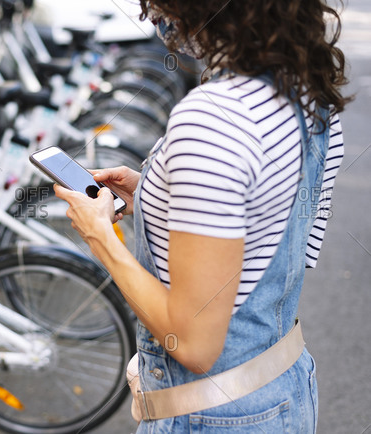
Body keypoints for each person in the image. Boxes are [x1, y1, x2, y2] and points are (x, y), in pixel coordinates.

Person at [54, 0, 350, 431]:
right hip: (281, 389)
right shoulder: (306, 91)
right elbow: (267, 225)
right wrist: (159, 196)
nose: (151, 14)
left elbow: (192, 342)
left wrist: (100, 235)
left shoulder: (213, 119)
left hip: (209, 415)